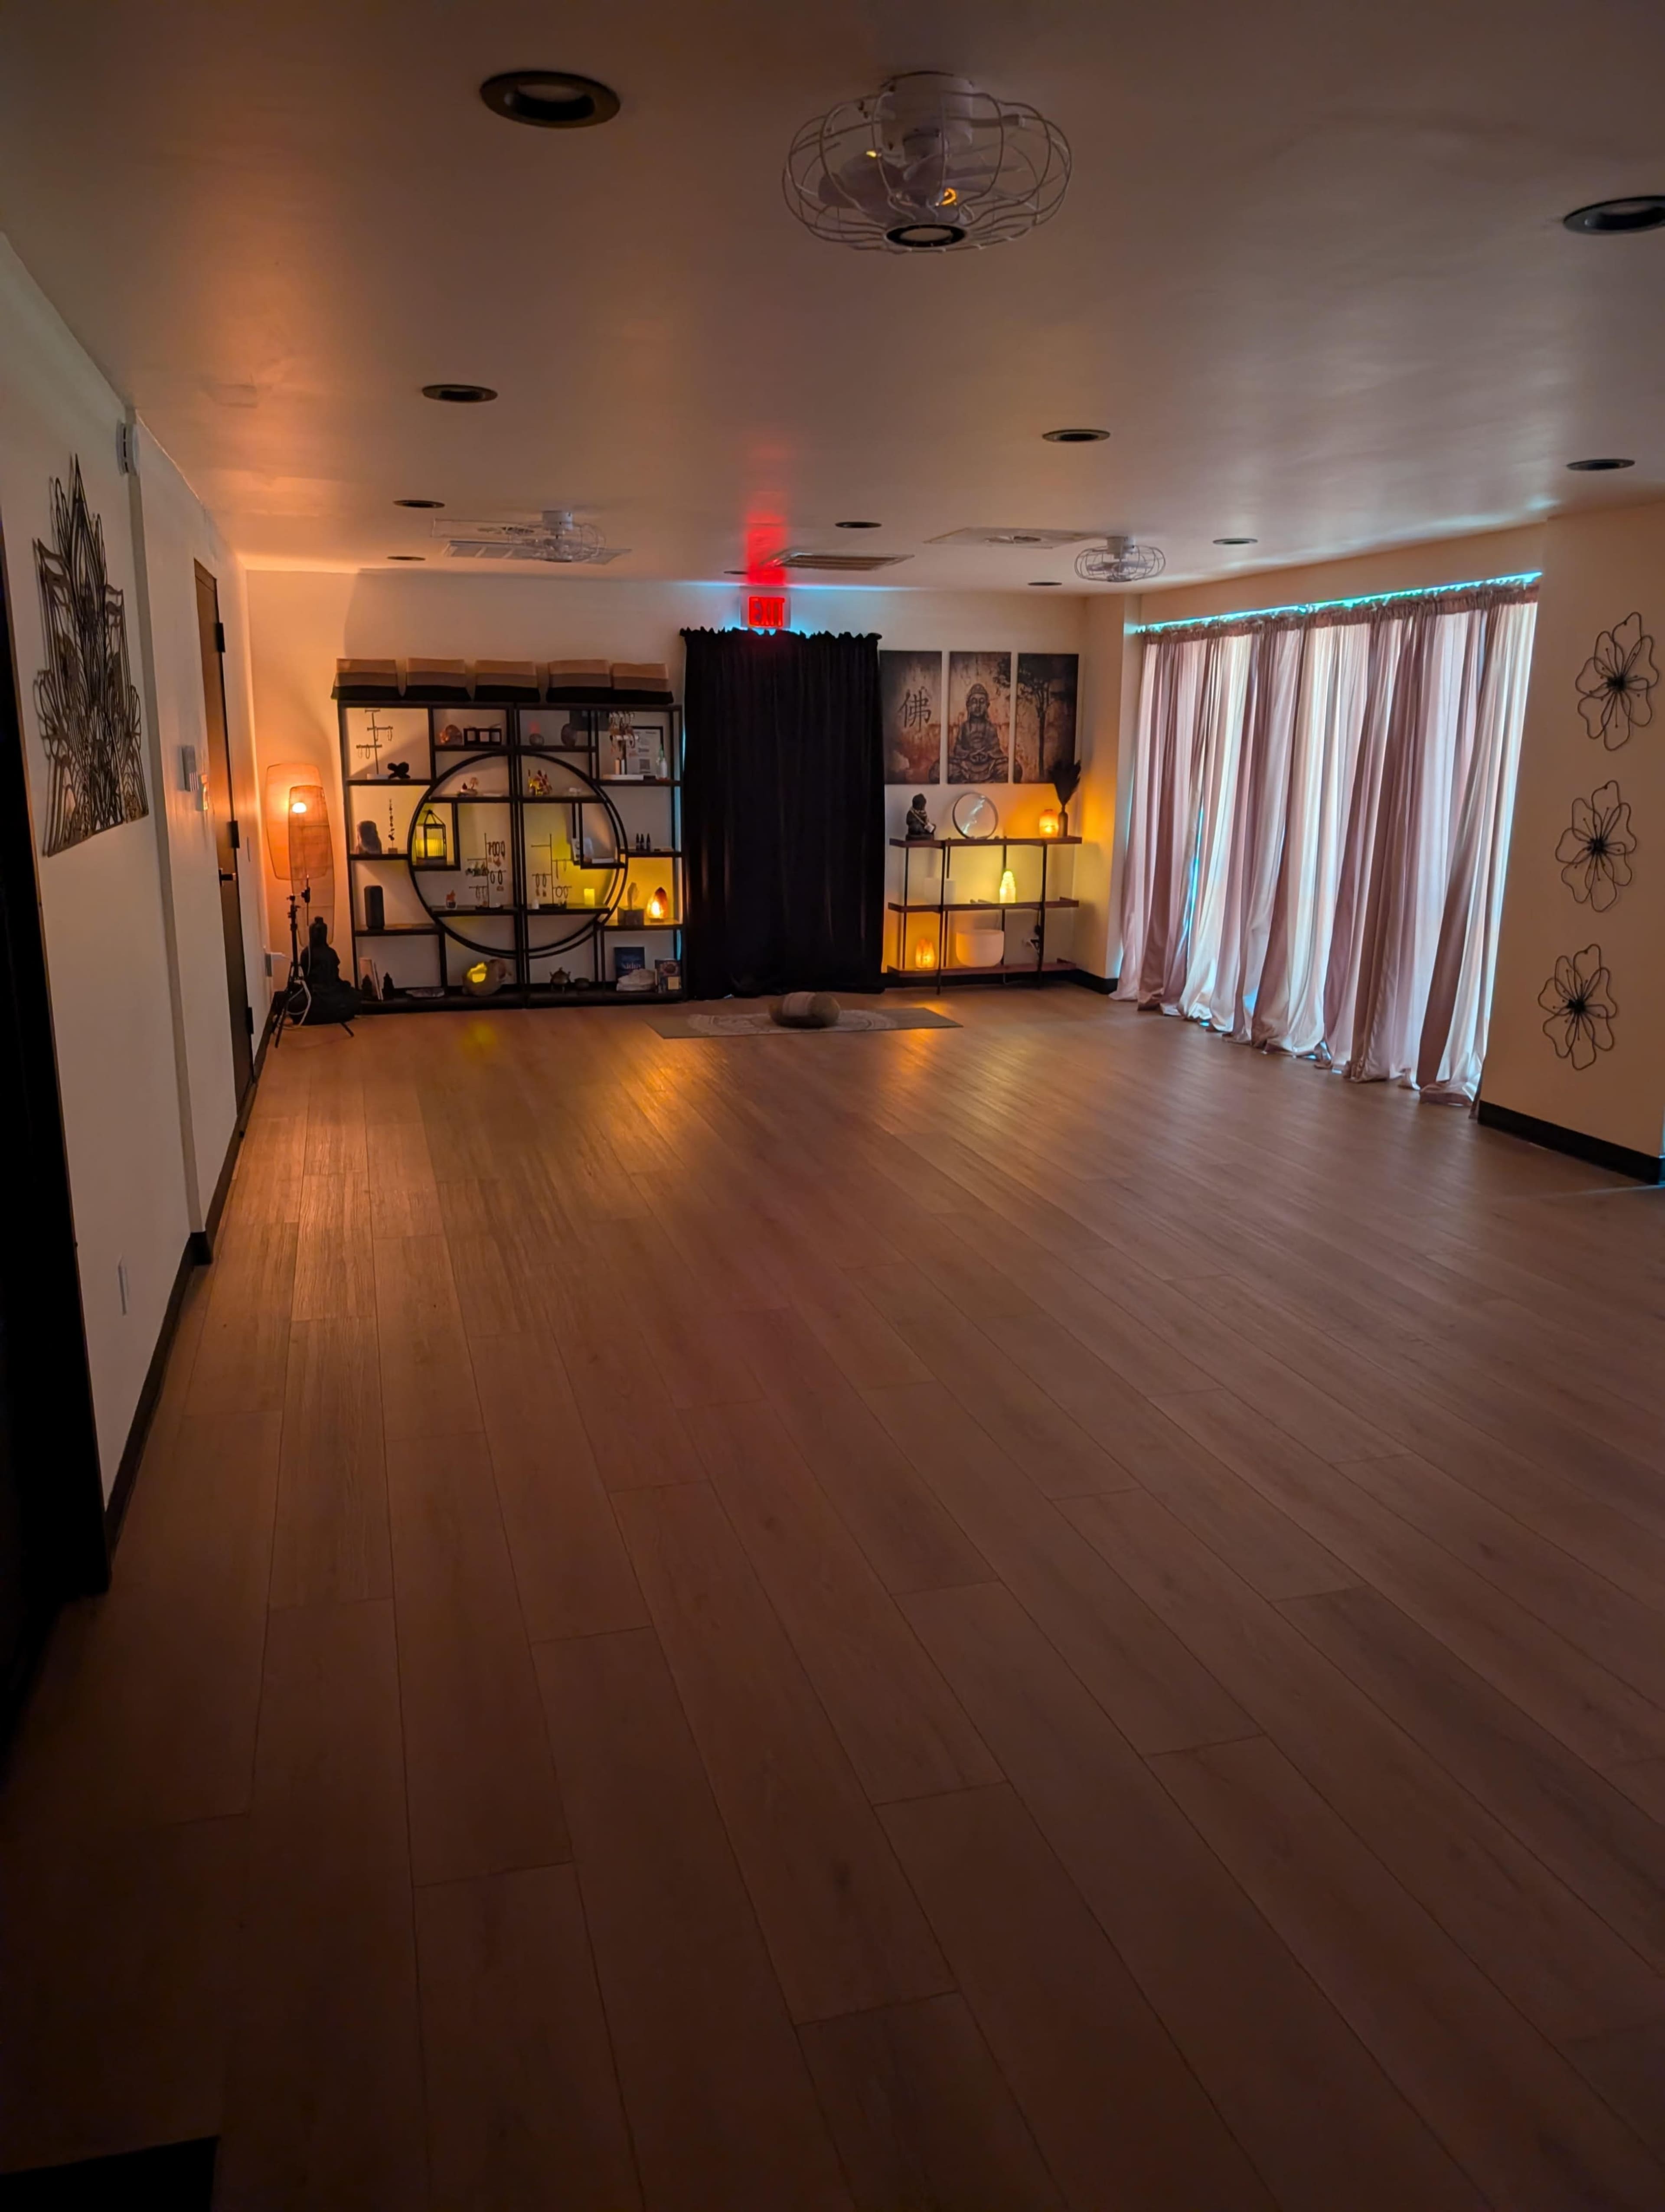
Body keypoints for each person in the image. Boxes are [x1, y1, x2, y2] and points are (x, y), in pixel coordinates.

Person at [300, 916, 359, 1025]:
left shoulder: (331, 953)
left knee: (354, 995)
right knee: (299, 1003)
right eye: (317, 932)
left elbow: (336, 977)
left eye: (322, 932)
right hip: (316, 992)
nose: (319, 935)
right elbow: (306, 978)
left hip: (332, 989)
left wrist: (343, 984)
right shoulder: (307, 953)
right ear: (311, 934)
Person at [949, 680, 1007, 781]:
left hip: (988, 766)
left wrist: (987, 755)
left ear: (987, 706)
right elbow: (957, 749)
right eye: (974, 702)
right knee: (940, 770)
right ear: (968, 705)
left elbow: (996, 749)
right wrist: (969, 755)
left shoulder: (990, 727)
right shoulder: (964, 727)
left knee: (1010, 768)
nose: (978, 706)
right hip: (966, 765)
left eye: (982, 702)